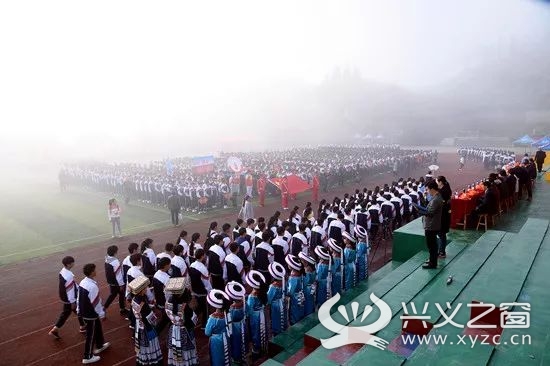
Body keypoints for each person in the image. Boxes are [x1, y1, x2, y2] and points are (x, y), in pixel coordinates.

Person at [77, 263, 110, 364]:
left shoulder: (83, 282)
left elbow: (78, 298)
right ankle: (87, 356)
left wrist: (78, 309)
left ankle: (100, 345)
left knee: (98, 328)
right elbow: (96, 303)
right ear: (92, 272)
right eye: (95, 270)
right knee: (90, 334)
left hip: (84, 311)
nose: (96, 271)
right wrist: (101, 314)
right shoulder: (92, 286)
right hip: (90, 314)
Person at [128, 276, 163, 366]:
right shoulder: (143, 303)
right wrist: (154, 318)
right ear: (141, 291)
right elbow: (151, 318)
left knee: (142, 348)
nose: (146, 289)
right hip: (147, 329)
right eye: (145, 288)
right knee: (151, 346)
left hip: (138, 326)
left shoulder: (134, 300)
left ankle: (145, 360)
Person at [49, 256, 86, 339]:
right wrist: (72, 301)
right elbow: (69, 290)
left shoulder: (63, 271)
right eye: (73, 262)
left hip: (64, 296)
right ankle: (55, 329)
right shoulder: (68, 276)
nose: (74, 263)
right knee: (72, 311)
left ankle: (83, 326)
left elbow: (70, 285)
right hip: (69, 298)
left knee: (72, 311)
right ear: (69, 264)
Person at [165, 280, 198, 366]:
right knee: (186, 350)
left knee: (175, 348)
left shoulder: (167, 303)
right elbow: (192, 320)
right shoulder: (185, 306)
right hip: (185, 331)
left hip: (174, 329)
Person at [205, 289, 231, 366]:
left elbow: (207, 332)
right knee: (226, 356)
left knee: (217, 358)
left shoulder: (213, 318)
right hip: (226, 337)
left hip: (216, 340)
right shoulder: (227, 313)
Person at [246, 270, 268, 359]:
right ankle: (263, 348)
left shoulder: (252, 296)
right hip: (262, 314)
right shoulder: (262, 292)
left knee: (255, 333)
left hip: (255, 317)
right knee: (262, 331)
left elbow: (249, 310)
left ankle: (256, 352)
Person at [421, 180, 443, 269]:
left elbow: (430, 213)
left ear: (432, 189)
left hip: (431, 226)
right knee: (432, 245)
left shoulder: (436, 199)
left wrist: (421, 211)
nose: (428, 192)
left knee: (431, 245)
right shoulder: (436, 197)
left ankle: (432, 263)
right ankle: (432, 261)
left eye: (428, 190)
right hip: (433, 225)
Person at [225, 281, 248, 365]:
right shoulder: (244, 303)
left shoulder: (231, 308)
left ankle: (237, 359)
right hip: (243, 325)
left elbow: (229, 319)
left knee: (236, 342)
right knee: (243, 340)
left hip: (234, 328)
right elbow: (247, 312)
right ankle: (243, 357)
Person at [189, 249, 211, 328]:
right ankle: (204, 325)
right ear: (202, 256)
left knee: (199, 306)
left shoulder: (192, 265)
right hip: (202, 291)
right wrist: (209, 291)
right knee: (205, 309)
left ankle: (192, 319)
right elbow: (206, 283)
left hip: (195, 290)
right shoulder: (203, 268)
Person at [103, 245, 127, 317]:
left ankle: (105, 307)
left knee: (113, 295)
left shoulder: (107, 258)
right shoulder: (115, 261)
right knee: (120, 294)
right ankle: (121, 309)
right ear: (115, 252)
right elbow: (118, 274)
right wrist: (121, 284)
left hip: (111, 281)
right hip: (116, 282)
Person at [152, 257, 172, 332]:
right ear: (166, 266)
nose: (170, 265)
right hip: (165, 302)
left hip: (159, 300)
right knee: (167, 319)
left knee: (166, 318)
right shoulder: (167, 278)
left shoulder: (156, 274)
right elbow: (169, 294)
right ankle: (157, 332)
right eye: (169, 264)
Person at [285, 255, 305, 325]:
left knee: (294, 315)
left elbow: (290, 292)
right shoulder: (299, 273)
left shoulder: (293, 277)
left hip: (295, 299)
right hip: (300, 296)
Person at [436, 176, 452, 258]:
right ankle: (441, 251)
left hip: (443, 216)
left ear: (441, 182)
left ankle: (441, 252)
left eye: (437, 181)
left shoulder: (443, 191)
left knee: (441, 235)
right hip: (445, 215)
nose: (437, 183)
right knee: (442, 235)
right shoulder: (446, 189)